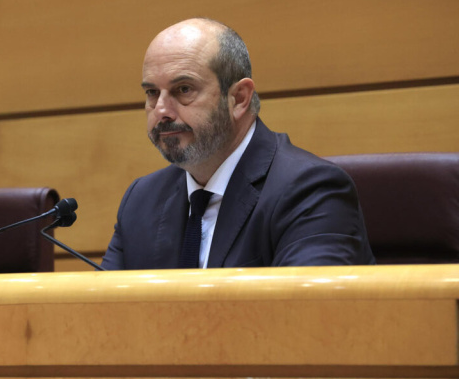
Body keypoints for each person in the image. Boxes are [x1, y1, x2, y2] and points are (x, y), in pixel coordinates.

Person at [101, 18, 375, 270]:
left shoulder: (310, 192)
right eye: (152, 93)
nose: (161, 111)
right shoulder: (142, 200)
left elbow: (303, 304)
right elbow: (103, 304)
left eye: (183, 89)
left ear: (239, 98)